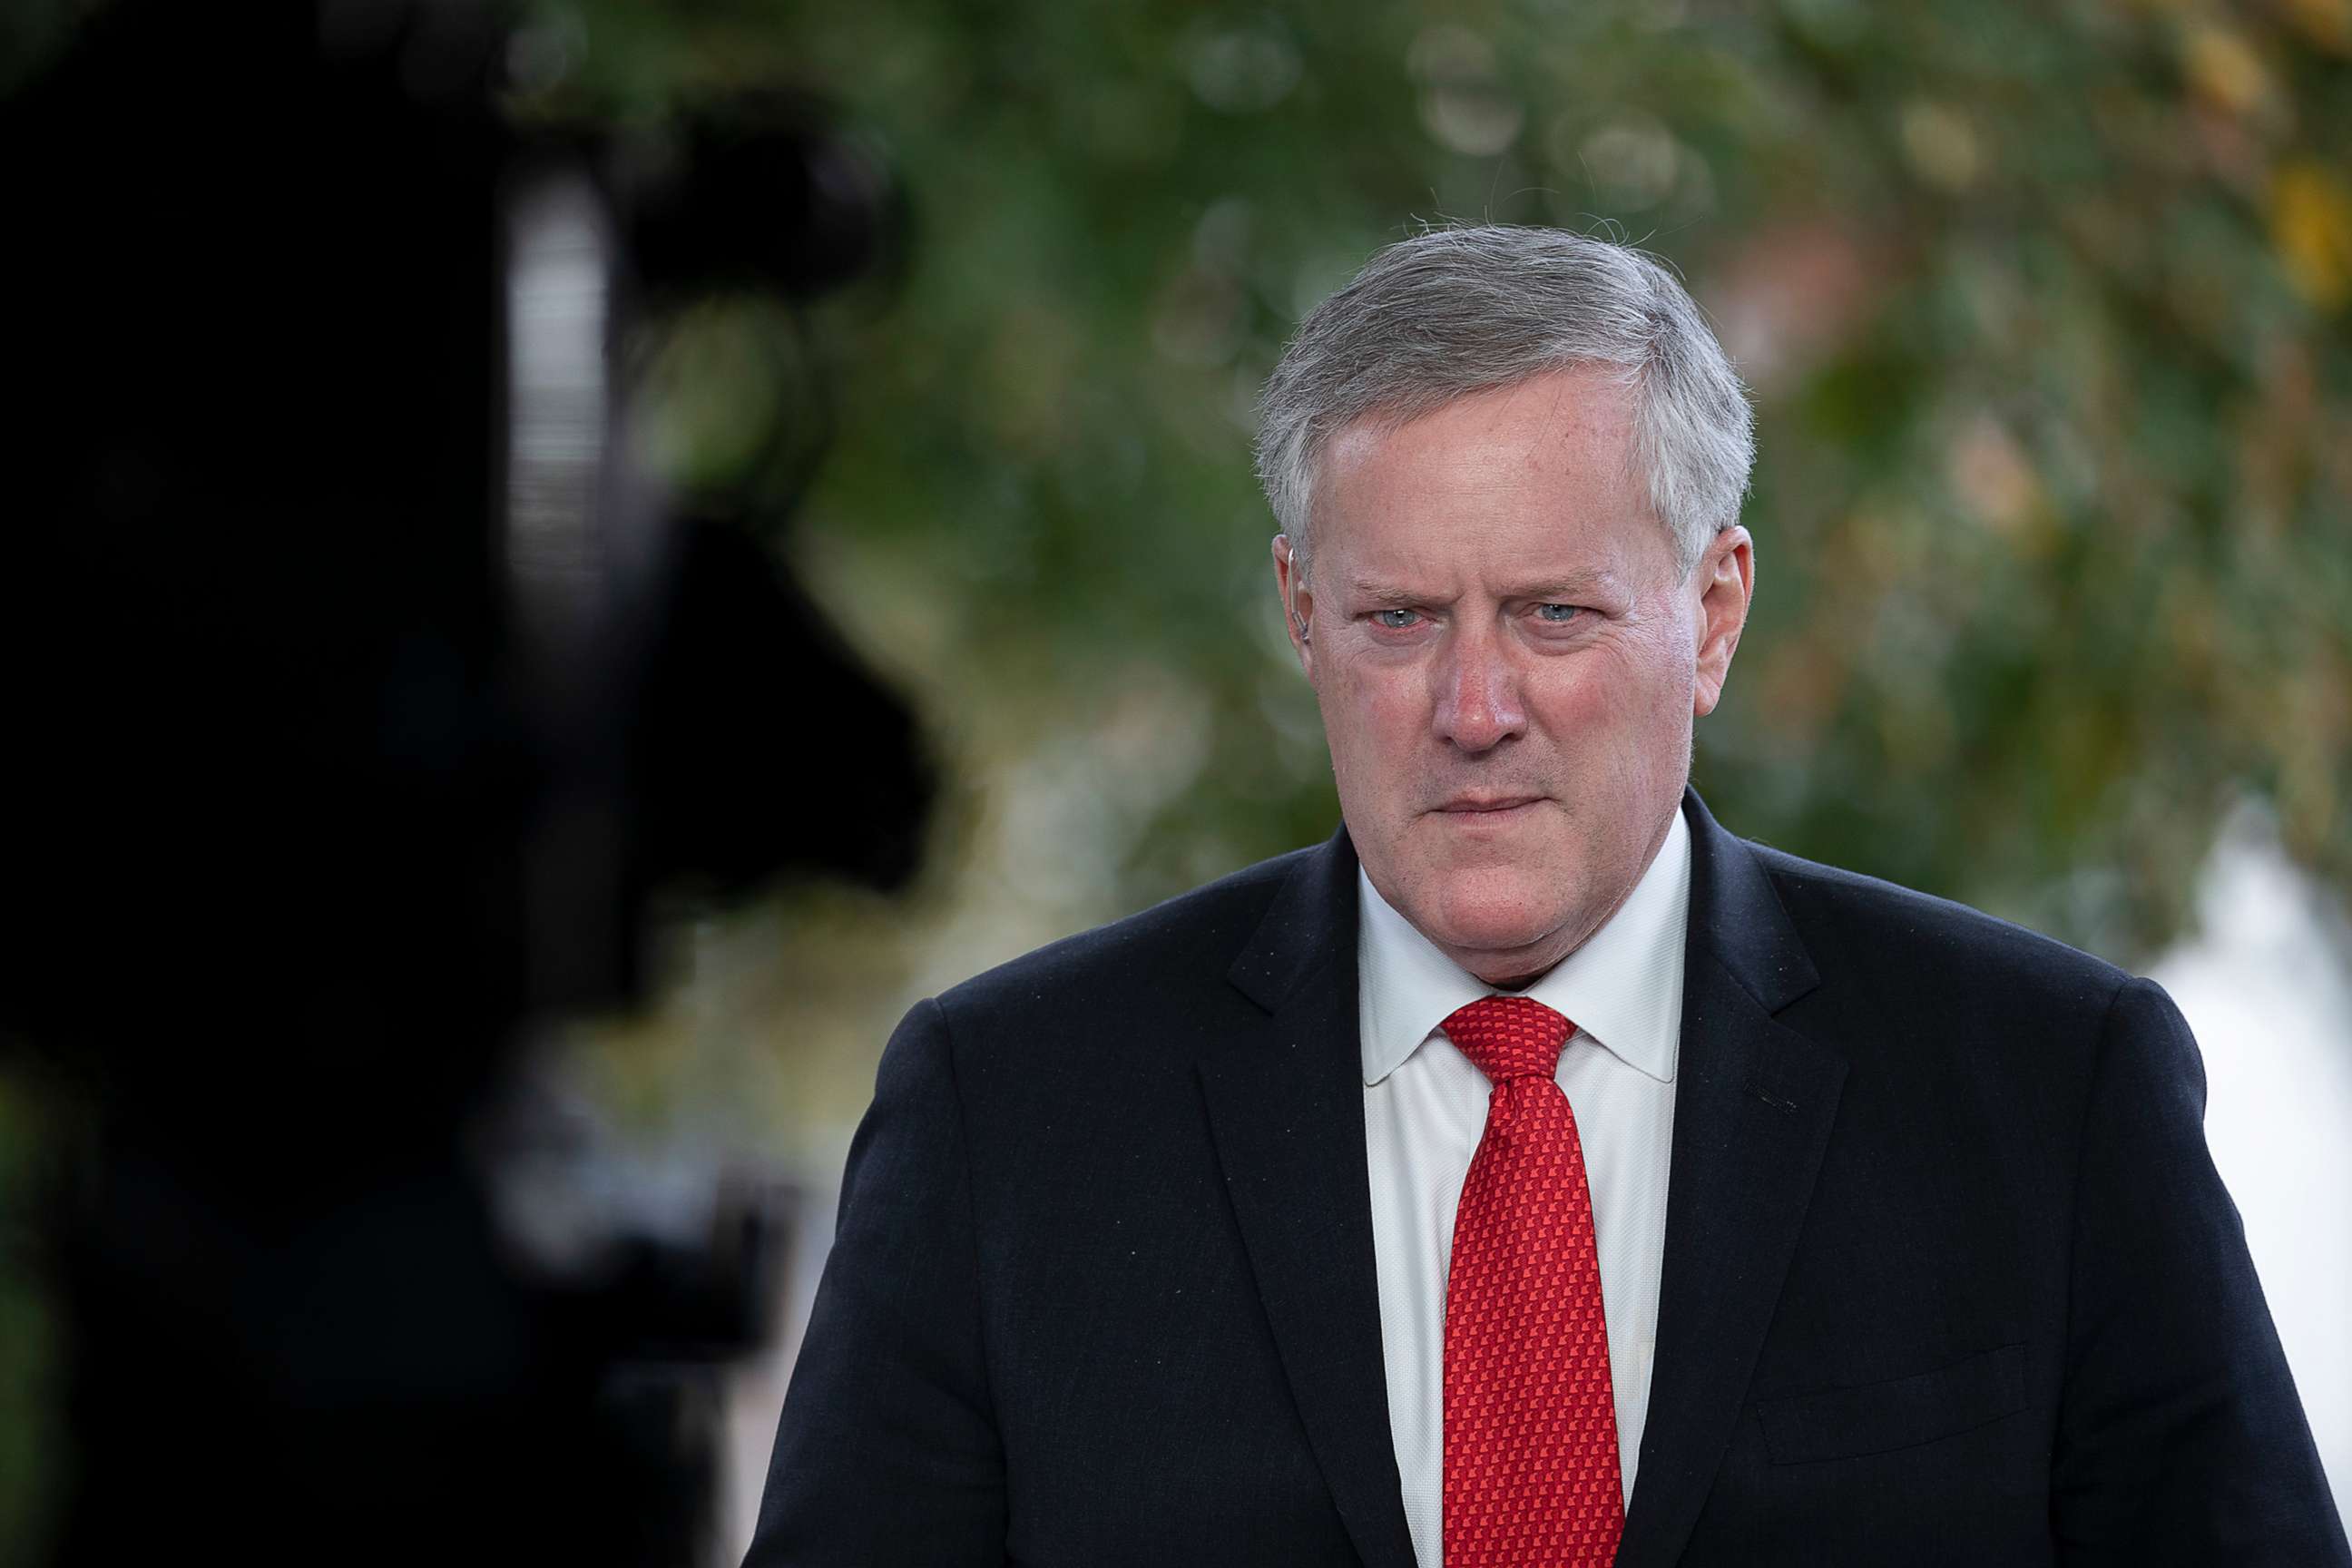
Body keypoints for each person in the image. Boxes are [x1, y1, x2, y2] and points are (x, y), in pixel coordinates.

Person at [744, 226, 2347, 1566]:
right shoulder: (1010, 1113)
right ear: (1300, 613)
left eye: (1556, 614)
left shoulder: (2048, 1091)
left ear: (1713, 614)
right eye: (1395, 619)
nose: (1473, 703)